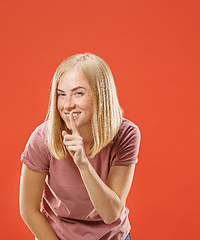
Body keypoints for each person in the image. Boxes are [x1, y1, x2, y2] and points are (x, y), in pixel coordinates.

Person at [19, 53, 141, 240]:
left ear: (101, 96)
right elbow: (28, 210)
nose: (67, 105)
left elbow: (110, 214)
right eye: (61, 94)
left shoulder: (126, 135)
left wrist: (83, 163)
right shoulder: (42, 137)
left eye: (78, 93)